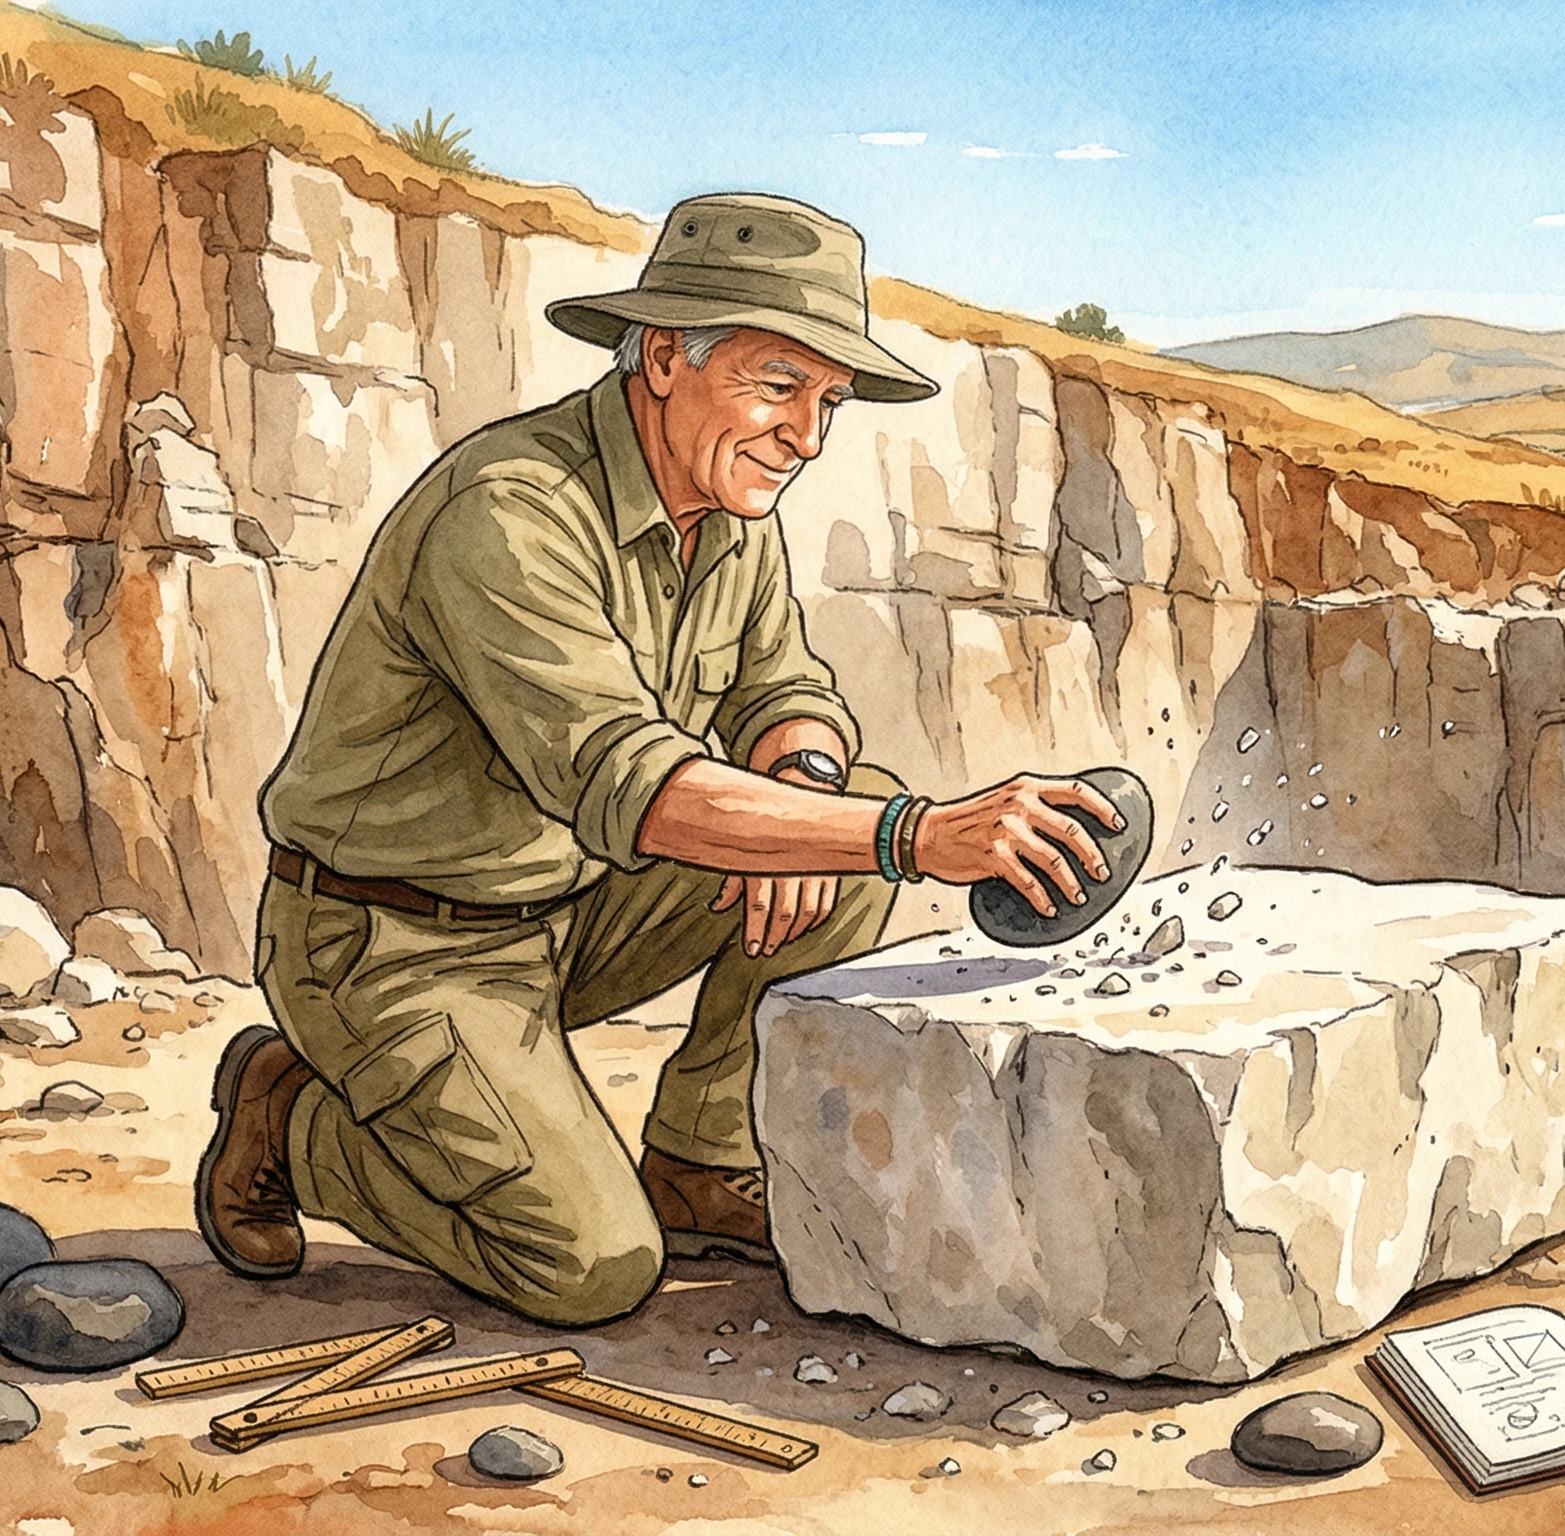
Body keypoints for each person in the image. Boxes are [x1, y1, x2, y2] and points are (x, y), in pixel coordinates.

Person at [196, 193, 1121, 1327]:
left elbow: (784, 692)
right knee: (589, 1270)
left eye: (826, 401)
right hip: (389, 942)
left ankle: (697, 1156)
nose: (807, 436)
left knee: (841, 821)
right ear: (665, 358)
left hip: (565, 914)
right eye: (778, 387)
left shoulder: (728, 513)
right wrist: (914, 839)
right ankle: (293, 1117)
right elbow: (632, 784)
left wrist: (811, 788)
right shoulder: (511, 509)